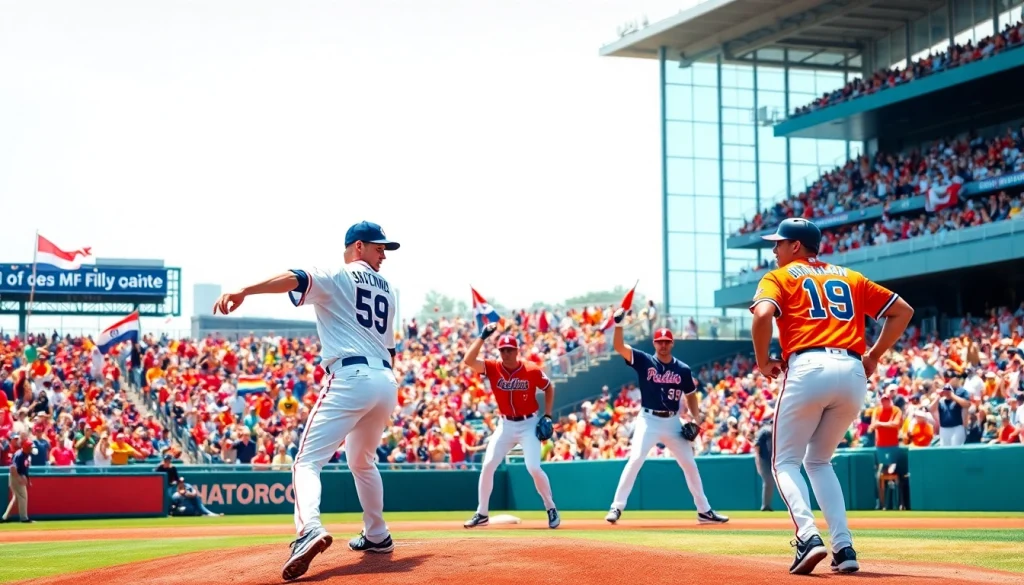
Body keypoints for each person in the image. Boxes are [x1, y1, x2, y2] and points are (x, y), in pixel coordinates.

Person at [213, 220, 401, 582]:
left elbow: (294, 277)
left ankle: (308, 529)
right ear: (357, 246)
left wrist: (244, 290)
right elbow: (390, 346)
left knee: (306, 461)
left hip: (351, 376)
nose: (383, 255)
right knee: (362, 461)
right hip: (385, 380)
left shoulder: (337, 273)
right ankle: (377, 534)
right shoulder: (389, 288)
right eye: (379, 247)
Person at [750, 218, 914, 575]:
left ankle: (808, 537)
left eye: (779, 243)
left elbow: (763, 314)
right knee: (819, 461)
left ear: (796, 246)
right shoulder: (850, 277)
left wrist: (763, 362)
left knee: (785, 462)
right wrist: (874, 355)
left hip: (808, 365)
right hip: (853, 372)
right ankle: (844, 547)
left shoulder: (779, 276)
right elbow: (903, 311)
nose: (774, 249)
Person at [603, 317, 728, 525]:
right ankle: (616, 506)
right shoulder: (644, 361)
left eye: (666, 341)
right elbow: (618, 346)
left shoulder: (683, 369)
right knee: (635, 459)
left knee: (689, 464)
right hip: (648, 419)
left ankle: (704, 511)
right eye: (659, 341)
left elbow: (691, 395)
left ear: (672, 343)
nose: (663, 345)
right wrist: (618, 324)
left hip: (672, 422)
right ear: (654, 343)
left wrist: (696, 418)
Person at [461, 325, 560, 529]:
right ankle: (482, 513)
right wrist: (482, 337)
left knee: (533, 467)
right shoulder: (493, 367)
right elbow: (468, 361)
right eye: (502, 350)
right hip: (505, 424)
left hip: (529, 423)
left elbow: (549, 387)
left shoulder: (531, 369)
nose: (506, 353)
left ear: (516, 351)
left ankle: (550, 507)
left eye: (509, 349)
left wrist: (548, 415)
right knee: (488, 465)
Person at [2, 435, 33, 523]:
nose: (31, 448)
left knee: (16, 498)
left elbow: (25, 469)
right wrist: (19, 478)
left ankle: (5, 517)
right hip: (15, 477)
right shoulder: (19, 455)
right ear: (26, 447)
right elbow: (12, 468)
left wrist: (28, 480)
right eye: (30, 446)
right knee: (23, 496)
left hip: (19, 476)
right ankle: (24, 518)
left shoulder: (26, 454)